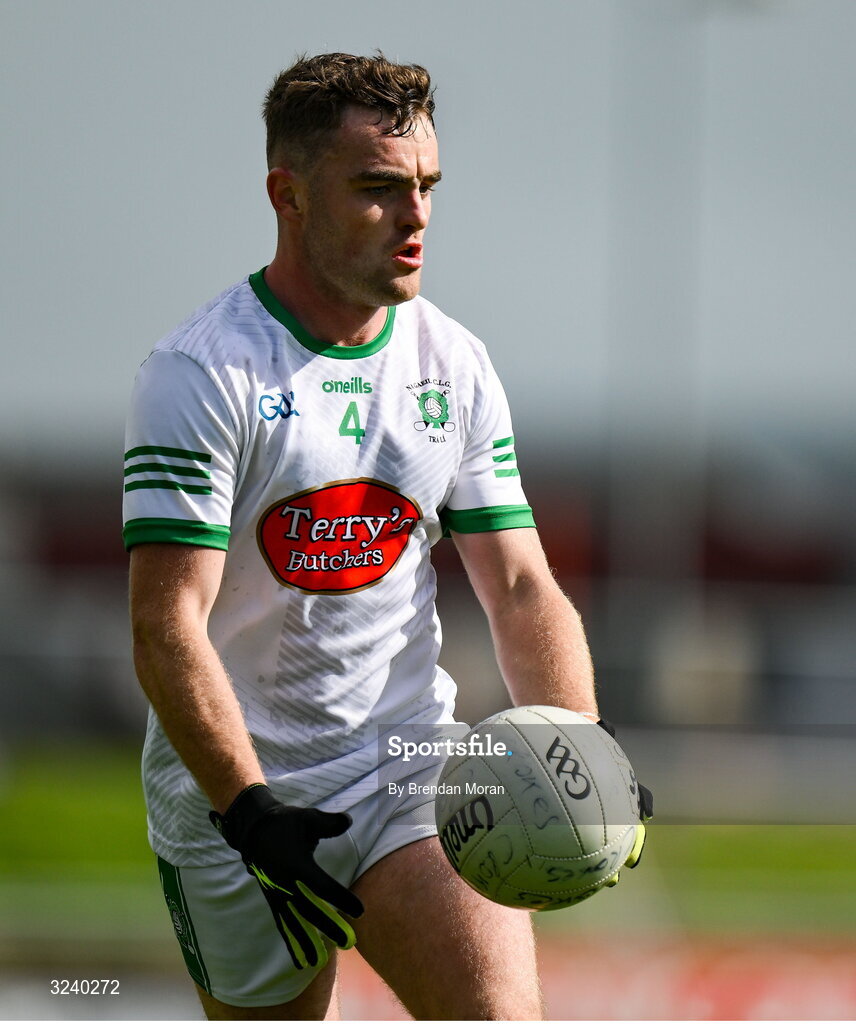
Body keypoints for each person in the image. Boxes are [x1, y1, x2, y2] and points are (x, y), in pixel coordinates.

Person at [123, 52, 614, 1021]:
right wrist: (249, 808)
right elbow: (165, 626)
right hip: (236, 799)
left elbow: (518, 586)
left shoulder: (455, 362)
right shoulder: (197, 374)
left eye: (426, 186)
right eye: (379, 188)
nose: (416, 215)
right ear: (288, 194)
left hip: (407, 769)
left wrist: (578, 742)